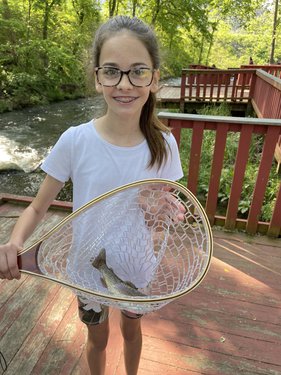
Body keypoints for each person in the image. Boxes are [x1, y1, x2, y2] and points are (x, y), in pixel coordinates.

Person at [0, 15, 183, 375]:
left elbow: (163, 217)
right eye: (112, 71)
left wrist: (154, 210)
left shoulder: (164, 145)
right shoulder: (75, 140)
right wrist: (14, 242)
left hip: (137, 267)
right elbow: (37, 208)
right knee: (97, 339)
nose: (124, 84)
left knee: (133, 330)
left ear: (154, 78)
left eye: (138, 71)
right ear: (98, 78)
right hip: (85, 269)